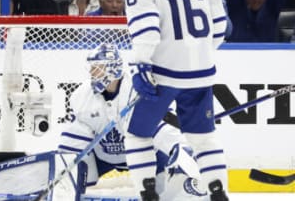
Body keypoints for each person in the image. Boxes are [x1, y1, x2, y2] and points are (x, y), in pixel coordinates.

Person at [122, 0, 229, 200]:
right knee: (203, 139)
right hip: (201, 71)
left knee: (138, 134)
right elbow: (220, 26)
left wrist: (140, 65)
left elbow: (146, 29)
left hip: (163, 73)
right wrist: (197, 54)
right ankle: (219, 193)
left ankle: (148, 195)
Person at [58, 43, 206, 200]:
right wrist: (63, 169)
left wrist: (181, 151)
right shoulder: (82, 96)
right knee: (71, 163)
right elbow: (73, 141)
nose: (92, 72)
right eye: (92, 67)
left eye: (98, 67)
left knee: (164, 192)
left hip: (145, 155)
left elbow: (162, 130)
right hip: (103, 156)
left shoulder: (137, 90)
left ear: (112, 68)